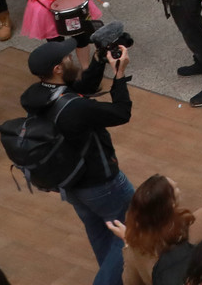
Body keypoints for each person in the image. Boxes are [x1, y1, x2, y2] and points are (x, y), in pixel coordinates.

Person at [19, 38, 136, 283]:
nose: (71, 58)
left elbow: (80, 88)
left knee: (101, 234)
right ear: (57, 69)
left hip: (71, 183)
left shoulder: (37, 96)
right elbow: (121, 113)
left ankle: (115, 278)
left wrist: (98, 60)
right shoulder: (76, 109)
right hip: (103, 184)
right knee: (132, 232)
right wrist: (120, 75)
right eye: (66, 58)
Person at [111, 172, 202, 285]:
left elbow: (130, 282)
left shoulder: (138, 251)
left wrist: (128, 244)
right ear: (172, 204)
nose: (176, 183)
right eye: (174, 187)